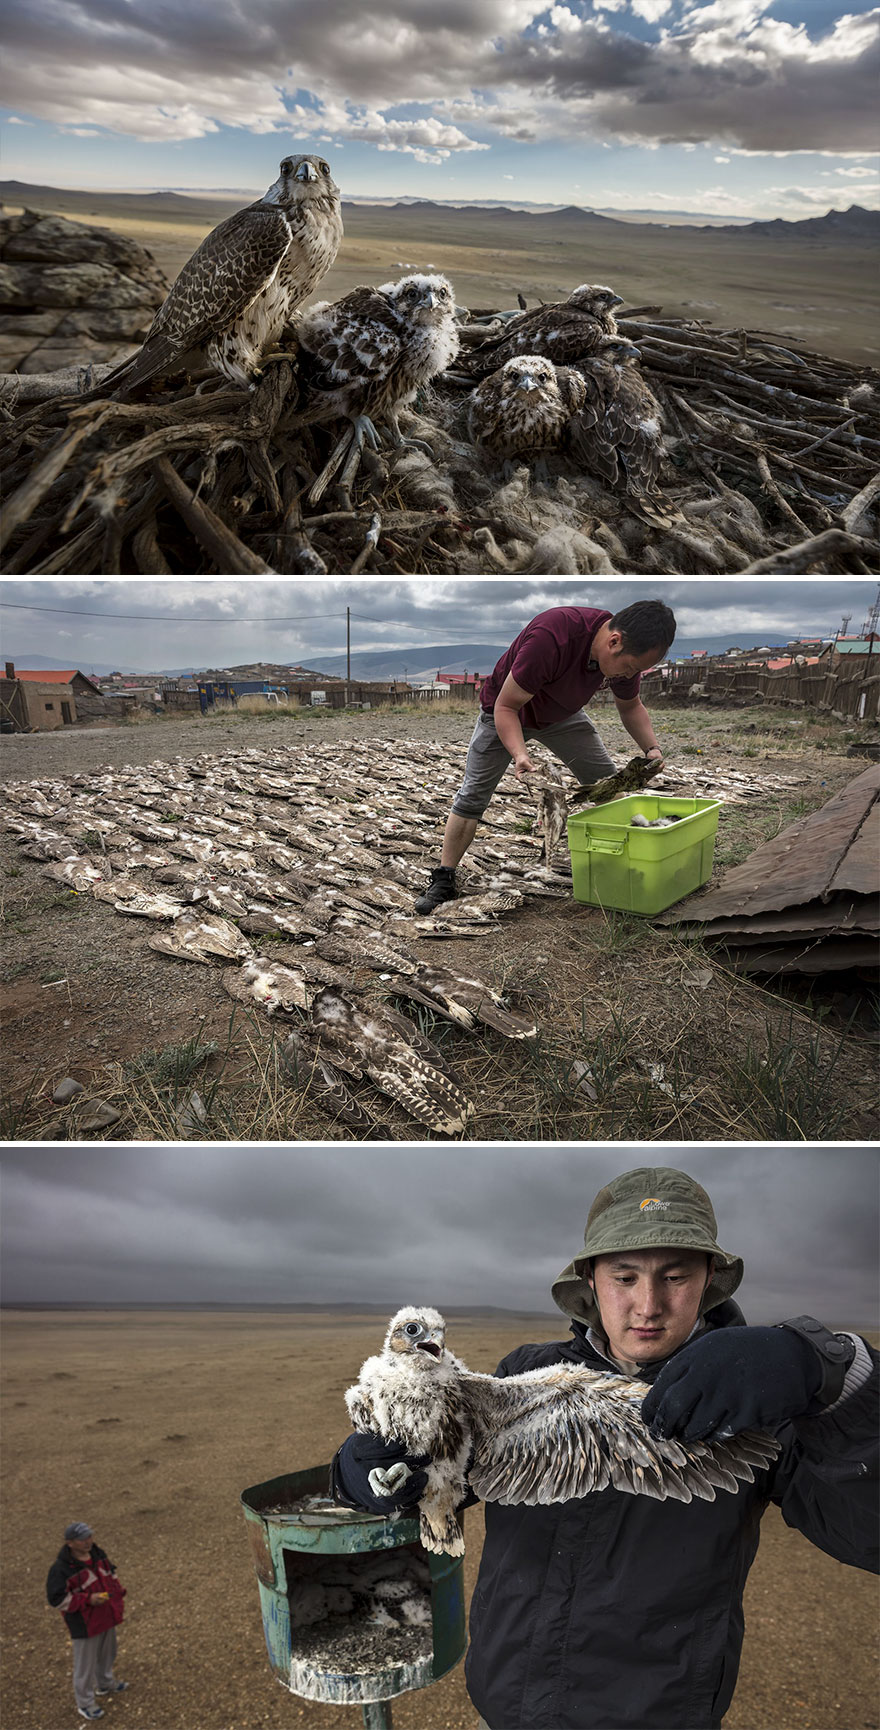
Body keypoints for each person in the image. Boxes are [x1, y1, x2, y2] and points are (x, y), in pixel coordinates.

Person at [330, 1165, 879, 1730]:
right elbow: (440, 1481)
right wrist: (361, 1474)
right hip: (510, 1706)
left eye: (675, 1276)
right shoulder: (527, 1372)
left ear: (709, 1278)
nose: (648, 1305)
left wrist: (834, 1381)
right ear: (590, 1280)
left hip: (657, 1715)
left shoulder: (759, 1402)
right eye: (624, 1277)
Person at [413, 599, 676, 913]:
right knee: (473, 796)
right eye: (630, 667)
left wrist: (652, 749)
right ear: (614, 641)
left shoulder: (628, 653)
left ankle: (631, 861)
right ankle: (444, 877)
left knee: (609, 787)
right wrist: (519, 755)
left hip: (562, 716)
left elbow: (631, 706)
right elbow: (506, 707)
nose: (629, 674)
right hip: (506, 712)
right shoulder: (553, 636)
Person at [46, 1521, 128, 1722]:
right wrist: (88, 1600)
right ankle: (85, 1703)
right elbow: (57, 1599)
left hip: (106, 1615)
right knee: (85, 1665)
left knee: (108, 1653)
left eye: (89, 1536)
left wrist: (116, 1593)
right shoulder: (61, 1569)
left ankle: (105, 1683)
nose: (88, 1541)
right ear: (70, 1543)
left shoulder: (98, 1555)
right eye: (82, 1539)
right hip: (84, 1623)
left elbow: (111, 1573)